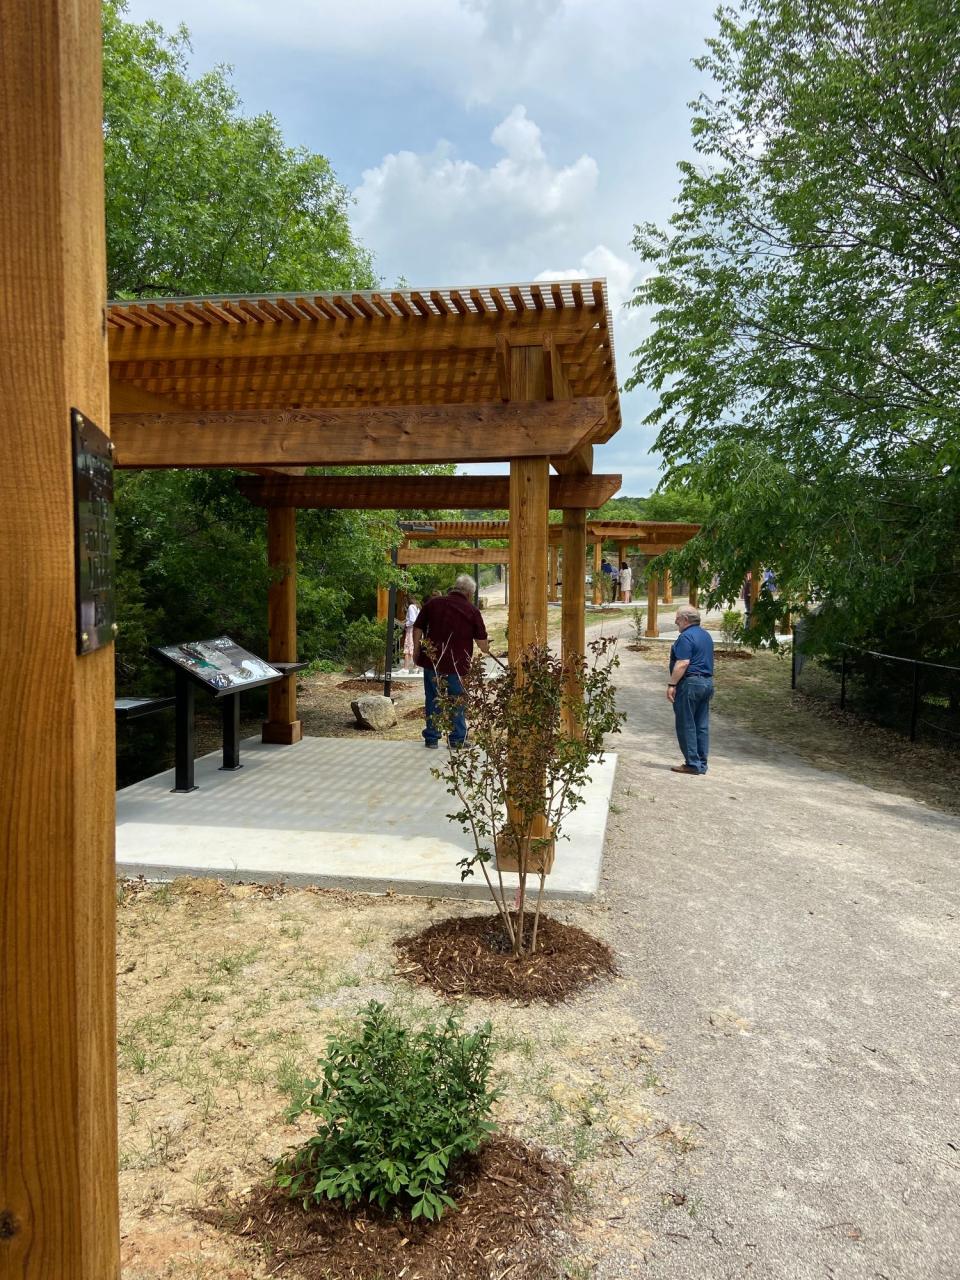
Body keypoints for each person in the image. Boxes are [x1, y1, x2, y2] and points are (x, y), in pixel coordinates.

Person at [412, 574, 490, 749]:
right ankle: (456, 739)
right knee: (457, 701)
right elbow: (483, 646)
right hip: (457, 665)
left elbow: (417, 627)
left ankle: (432, 739)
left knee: (432, 699)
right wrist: (486, 647)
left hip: (432, 662)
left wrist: (417, 651)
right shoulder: (472, 611)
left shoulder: (433, 603)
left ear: (455, 587)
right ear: (469, 594)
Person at [667, 604, 714, 775]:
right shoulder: (705, 635)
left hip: (690, 684)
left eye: (678, 618)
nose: (675, 621)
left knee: (686, 723)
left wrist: (672, 685)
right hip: (707, 683)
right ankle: (701, 762)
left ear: (685, 620)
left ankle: (692, 763)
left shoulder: (686, 637)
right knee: (701, 725)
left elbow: (683, 663)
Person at [401, 595, 419, 672]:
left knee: (408, 648)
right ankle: (415, 667)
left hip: (411, 630)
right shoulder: (417, 606)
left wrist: (405, 624)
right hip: (416, 630)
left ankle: (405, 668)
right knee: (414, 648)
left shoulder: (411, 607)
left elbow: (412, 620)